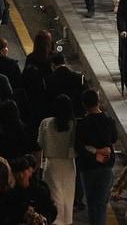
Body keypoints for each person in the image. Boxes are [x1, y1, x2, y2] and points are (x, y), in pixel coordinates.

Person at [77, 89, 119, 225]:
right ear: (98, 102)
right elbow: (114, 138)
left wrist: (95, 152)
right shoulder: (108, 121)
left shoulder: (82, 124)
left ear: (84, 104)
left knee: (91, 202)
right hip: (106, 165)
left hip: (88, 167)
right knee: (101, 203)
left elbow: (79, 146)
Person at [38, 94, 77, 225]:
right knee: (68, 196)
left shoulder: (46, 123)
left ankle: (56, 221)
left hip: (51, 163)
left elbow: (40, 143)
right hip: (68, 163)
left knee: (54, 196)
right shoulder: (74, 124)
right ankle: (67, 221)